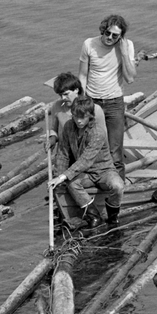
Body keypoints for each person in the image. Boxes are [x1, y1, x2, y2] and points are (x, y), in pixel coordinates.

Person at [50, 95, 123, 227]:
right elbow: (63, 153)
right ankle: (93, 215)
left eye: (82, 117)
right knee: (70, 183)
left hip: (104, 171)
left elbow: (85, 160)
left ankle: (112, 216)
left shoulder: (98, 133)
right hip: (86, 173)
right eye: (75, 116)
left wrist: (62, 176)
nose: (78, 120)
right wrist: (58, 177)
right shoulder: (68, 127)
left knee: (118, 186)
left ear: (90, 115)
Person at [78, 14, 137, 179]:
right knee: (91, 147)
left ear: (121, 37)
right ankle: (94, 183)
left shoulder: (127, 46)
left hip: (114, 104)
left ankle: (118, 189)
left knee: (115, 152)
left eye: (115, 36)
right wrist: (80, 102)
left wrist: (124, 53)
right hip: (92, 103)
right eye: (107, 33)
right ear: (103, 30)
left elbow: (130, 78)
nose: (110, 38)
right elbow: (82, 75)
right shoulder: (89, 44)